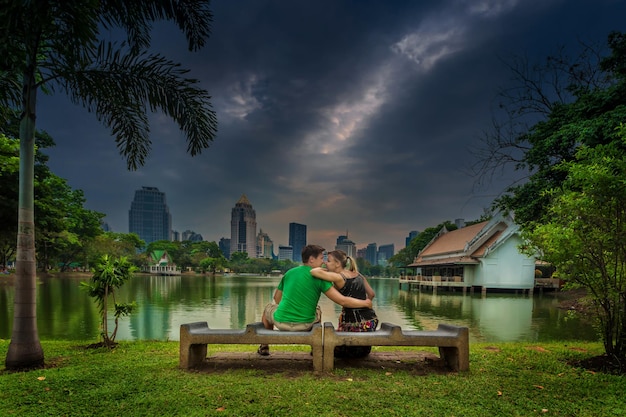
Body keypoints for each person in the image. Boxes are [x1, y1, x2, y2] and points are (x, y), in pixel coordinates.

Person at [258, 244, 372, 356]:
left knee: (268, 308)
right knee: (318, 310)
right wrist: (365, 303)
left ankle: (264, 346)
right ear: (312, 259)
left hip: (281, 323)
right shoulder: (320, 278)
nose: (323, 262)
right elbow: (342, 300)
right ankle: (314, 347)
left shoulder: (289, 273)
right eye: (321, 258)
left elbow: (277, 299)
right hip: (305, 325)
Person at [311, 250, 379, 358]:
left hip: (354, 324)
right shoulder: (358, 275)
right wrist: (365, 303)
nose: (325, 263)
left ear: (337, 264)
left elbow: (314, 272)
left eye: (328, 261)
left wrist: (324, 268)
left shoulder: (339, 277)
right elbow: (371, 294)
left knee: (325, 349)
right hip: (370, 322)